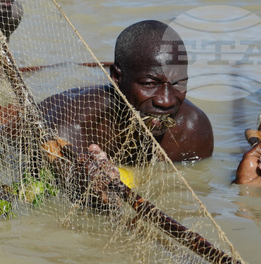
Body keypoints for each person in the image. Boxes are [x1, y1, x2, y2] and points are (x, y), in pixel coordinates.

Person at [40, 20, 214, 163]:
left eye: (178, 83)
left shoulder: (194, 131)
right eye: (149, 84)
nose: (166, 101)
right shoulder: (71, 128)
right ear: (117, 77)